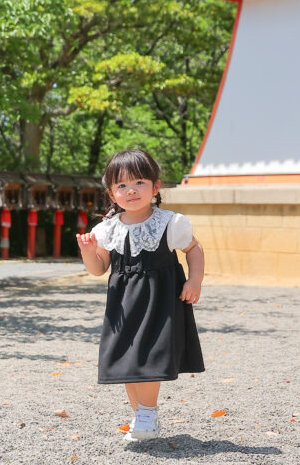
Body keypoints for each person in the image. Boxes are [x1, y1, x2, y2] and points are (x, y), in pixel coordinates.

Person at [76, 148, 205, 442]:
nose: (130, 191)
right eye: (121, 185)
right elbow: (99, 268)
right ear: (111, 193)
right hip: (123, 306)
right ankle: (142, 416)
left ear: (155, 187)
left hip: (160, 301)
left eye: (139, 183)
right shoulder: (107, 229)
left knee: (148, 355)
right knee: (127, 359)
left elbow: (194, 248)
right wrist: (87, 252)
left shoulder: (170, 223)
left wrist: (195, 280)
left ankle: (147, 414)